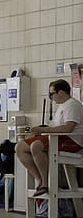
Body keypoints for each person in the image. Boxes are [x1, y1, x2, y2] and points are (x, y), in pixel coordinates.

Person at [16, 80, 83, 211]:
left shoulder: (73, 105)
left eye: (51, 94)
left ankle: (45, 181)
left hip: (72, 141)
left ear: (61, 92)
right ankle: (41, 180)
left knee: (36, 146)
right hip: (58, 138)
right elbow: (56, 127)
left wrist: (43, 131)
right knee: (20, 147)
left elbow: (68, 128)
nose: (51, 97)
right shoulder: (62, 106)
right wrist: (40, 129)